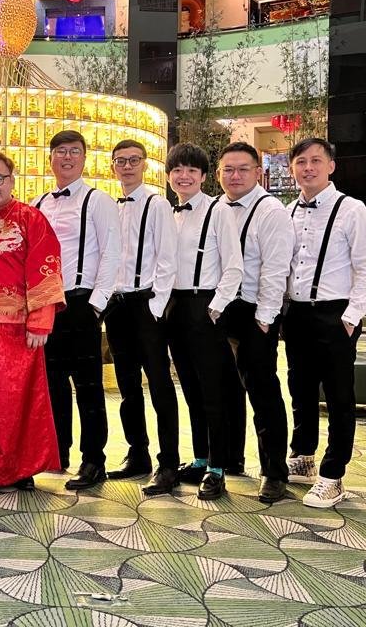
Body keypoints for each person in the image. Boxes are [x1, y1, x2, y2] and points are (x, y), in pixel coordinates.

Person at [285, 137, 366, 508]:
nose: (307, 168)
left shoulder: (350, 209)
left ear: (331, 166)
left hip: (335, 314)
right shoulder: (288, 210)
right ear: (293, 169)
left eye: (315, 161)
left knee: (339, 395)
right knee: (300, 389)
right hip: (297, 313)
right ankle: (304, 454)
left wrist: (351, 317)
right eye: (301, 162)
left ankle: (333, 474)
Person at [0, 151, 63, 490]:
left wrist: (40, 321)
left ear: (12, 179)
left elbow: (46, 267)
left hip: (17, 329)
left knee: (15, 399)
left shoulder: (31, 219)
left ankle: (19, 468)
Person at [33, 130, 121, 490]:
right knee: (52, 384)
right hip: (46, 305)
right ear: (50, 158)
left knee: (87, 386)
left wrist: (96, 305)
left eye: (74, 152)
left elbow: (112, 252)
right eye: (60, 151)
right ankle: (58, 452)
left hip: (82, 302)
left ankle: (93, 460)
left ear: (84, 158)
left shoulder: (98, 201)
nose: (66, 158)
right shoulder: (38, 202)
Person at [164, 143, 243, 500]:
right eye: (178, 170)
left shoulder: (218, 211)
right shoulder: (168, 212)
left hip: (204, 305)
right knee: (191, 389)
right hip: (174, 307)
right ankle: (199, 457)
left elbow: (234, 266)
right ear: (169, 176)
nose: (184, 176)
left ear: (203, 176)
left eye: (192, 171)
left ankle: (218, 467)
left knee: (214, 392)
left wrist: (215, 308)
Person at [102, 139, 180, 496]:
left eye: (134, 160)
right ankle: (138, 453)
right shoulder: (109, 206)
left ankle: (168, 463)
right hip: (116, 305)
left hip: (147, 303)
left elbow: (167, 258)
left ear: (145, 164)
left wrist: (156, 305)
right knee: (127, 384)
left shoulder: (158, 204)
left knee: (160, 385)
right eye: (121, 161)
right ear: (113, 166)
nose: (127, 166)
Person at [217, 142, 294, 504]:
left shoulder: (271, 211)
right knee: (224, 388)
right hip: (219, 310)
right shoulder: (216, 207)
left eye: (242, 169)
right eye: (228, 170)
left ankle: (274, 472)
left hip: (254, 312)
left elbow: (276, 268)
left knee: (262, 391)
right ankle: (230, 458)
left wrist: (265, 317)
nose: (234, 176)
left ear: (257, 173)